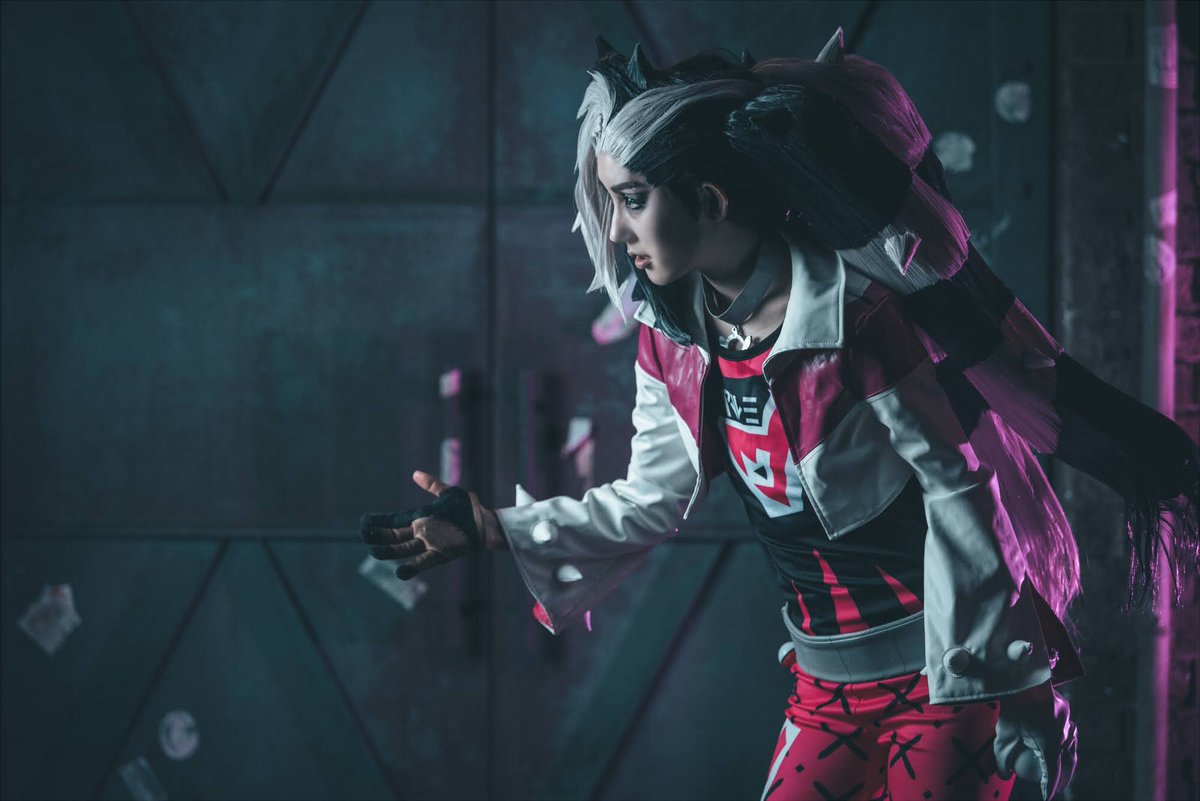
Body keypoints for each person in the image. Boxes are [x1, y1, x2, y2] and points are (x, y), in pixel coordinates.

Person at [361, 30, 1199, 801]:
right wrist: (495, 527)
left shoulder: (855, 320)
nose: (617, 232)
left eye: (635, 198)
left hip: (947, 673)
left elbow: (959, 492)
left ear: (711, 200)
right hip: (822, 687)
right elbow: (652, 498)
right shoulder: (675, 341)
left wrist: (1018, 683)